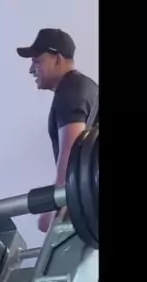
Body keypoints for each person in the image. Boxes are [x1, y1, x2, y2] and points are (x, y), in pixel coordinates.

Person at [17, 28, 98, 233]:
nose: (31, 69)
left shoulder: (69, 91)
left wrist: (56, 206)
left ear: (58, 59)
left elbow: (72, 156)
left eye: (37, 61)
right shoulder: (87, 87)